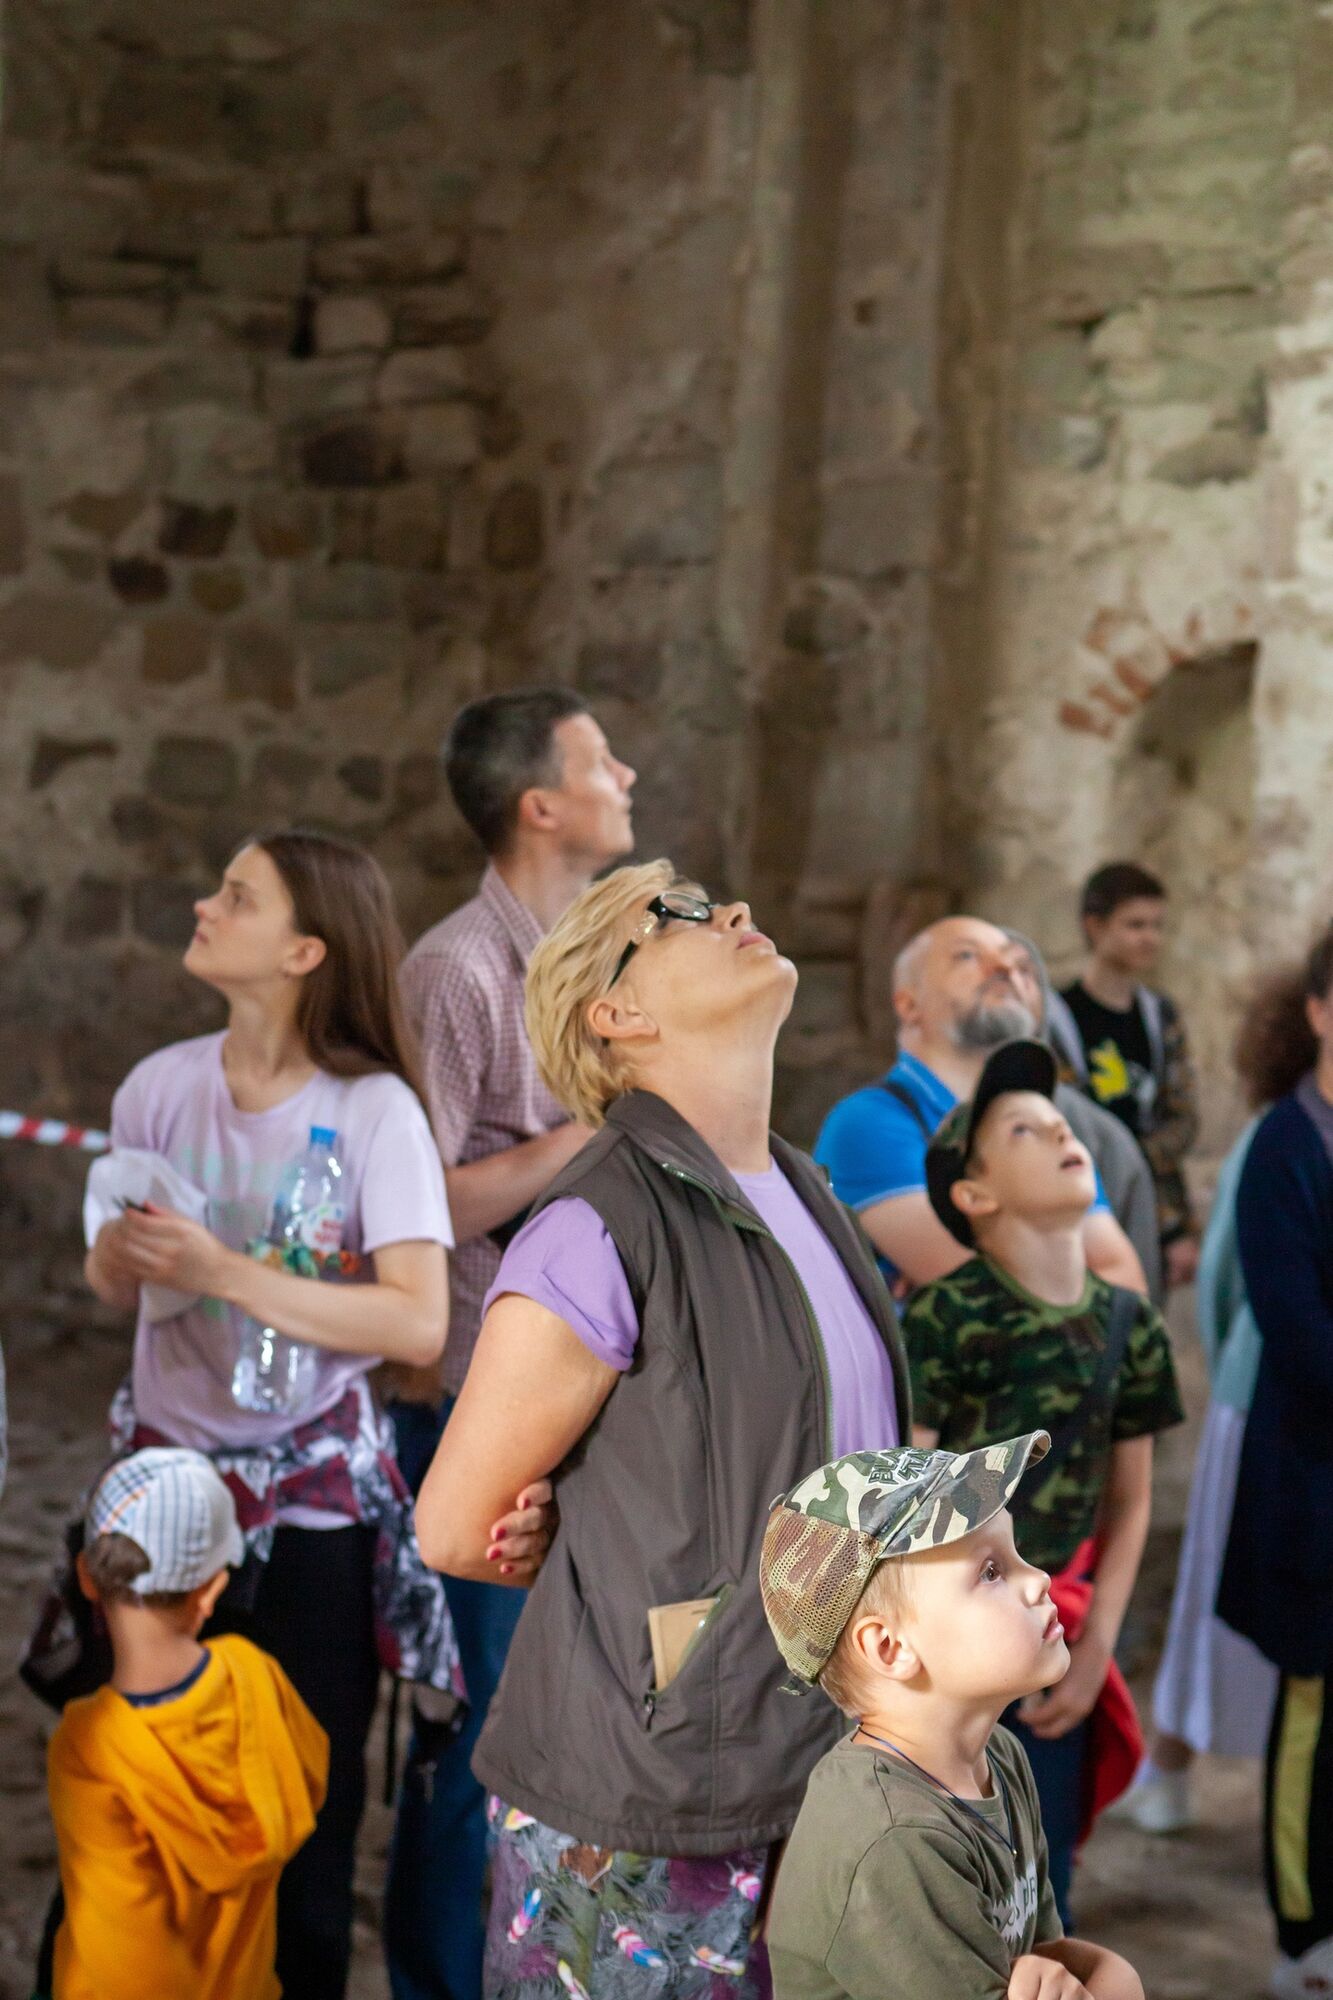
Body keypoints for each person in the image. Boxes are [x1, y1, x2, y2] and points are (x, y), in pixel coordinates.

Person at [415, 859, 911, 1994]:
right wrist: (589, 1532)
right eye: (676, 913)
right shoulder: (596, 1223)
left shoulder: (807, 1191)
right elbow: (451, 1526)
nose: (733, 909)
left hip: (818, 1760)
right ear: (617, 1014)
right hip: (647, 1795)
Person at [83, 830, 455, 2000]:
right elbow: (113, 1286)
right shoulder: (157, 1085)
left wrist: (223, 1269)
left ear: (305, 949)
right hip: (162, 1488)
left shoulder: (375, 1111)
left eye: (236, 895)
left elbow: (418, 1322)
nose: (204, 903)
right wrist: (123, 1254)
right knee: (143, 1782)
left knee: (302, 1809)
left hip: (311, 1510)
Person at [386, 687, 635, 2000]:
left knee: (561, 1720)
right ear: (540, 804)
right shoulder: (457, 972)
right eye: (601, 761)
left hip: (588, 1399)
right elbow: (417, 1206)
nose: (626, 774)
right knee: (477, 1724)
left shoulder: (602, 963)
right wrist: (591, 1138)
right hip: (478, 1399)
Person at [903, 1039, 1183, 1925]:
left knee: (1041, 1875)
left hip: (1051, 1636)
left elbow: (1129, 1500)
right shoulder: (944, 1315)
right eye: (1024, 1130)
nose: (1062, 1133)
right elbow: (903, 1491)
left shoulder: (1131, 1327)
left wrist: (1096, 1647)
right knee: (940, 1872)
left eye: (1060, 1123)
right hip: (947, 1647)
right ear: (973, 1195)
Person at [761, 1434, 1143, 2000]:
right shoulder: (896, 1840)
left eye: (1016, 1553)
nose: (1039, 1579)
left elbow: (1041, 1956)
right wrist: (1117, 1981)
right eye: (990, 1571)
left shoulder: (999, 1756)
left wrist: (1104, 1979)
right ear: (889, 1648)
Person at [47, 1447, 328, 2000]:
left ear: (86, 1578)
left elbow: (123, 1956)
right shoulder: (255, 1675)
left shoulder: (88, 1745)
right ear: (212, 1591)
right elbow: (310, 1779)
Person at [1114, 972, 1288, 1836]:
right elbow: (1221, 1280)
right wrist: (1235, 1390)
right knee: (1216, 1591)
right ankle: (1167, 1768)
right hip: (1262, 1402)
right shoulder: (1278, 1135)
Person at [814, 916, 1148, 1296]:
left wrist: (1019, 1277)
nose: (1005, 968)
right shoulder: (869, 1124)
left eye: (1016, 962)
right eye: (968, 956)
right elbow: (984, 1298)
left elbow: (1126, 1285)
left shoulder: (1046, 1124)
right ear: (909, 1004)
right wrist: (1069, 1277)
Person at [1217, 923, 1333, 2000]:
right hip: (1313, 1482)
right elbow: (1299, 1335)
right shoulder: (1283, 1148)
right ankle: (1303, 1931)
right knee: (1313, 1716)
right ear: (1317, 1009)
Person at [1049, 863, 1199, 1288]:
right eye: (1135, 925)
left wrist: (1177, 1227)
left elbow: (1182, 1117)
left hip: (1152, 1206)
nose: (1150, 937)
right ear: (1094, 926)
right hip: (1079, 1206)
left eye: (1157, 925)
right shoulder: (1057, 1017)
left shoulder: (1159, 1014)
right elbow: (1061, 1120)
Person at [1006, 931, 1163, 1303]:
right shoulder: (894, 1119)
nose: (1006, 980)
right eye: (968, 958)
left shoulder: (1099, 1137)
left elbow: (1133, 1293)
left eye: (1022, 971)